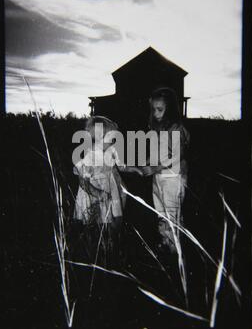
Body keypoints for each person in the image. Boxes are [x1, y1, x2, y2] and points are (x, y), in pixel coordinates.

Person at [73, 115, 140, 268]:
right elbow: (83, 181)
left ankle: (112, 249)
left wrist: (134, 169)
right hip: (96, 193)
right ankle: (97, 254)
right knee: (98, 223)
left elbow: (121, 166)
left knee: (116, 220)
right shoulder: (90, 156)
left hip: (113, 190)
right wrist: (98, 193)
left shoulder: (112, 150)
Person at [141, 88, 190, 254]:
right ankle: (166, 245)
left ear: (170, 109)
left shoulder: (177, 128)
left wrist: (154, 167)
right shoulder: (157, 128)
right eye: (153, 109)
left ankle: (175, 252)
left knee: (172, 215)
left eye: (160, 110)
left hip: (173, 178)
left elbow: (176, 155)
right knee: (161, 213)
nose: (156, 113)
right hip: (159, 177)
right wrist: (148, 162)